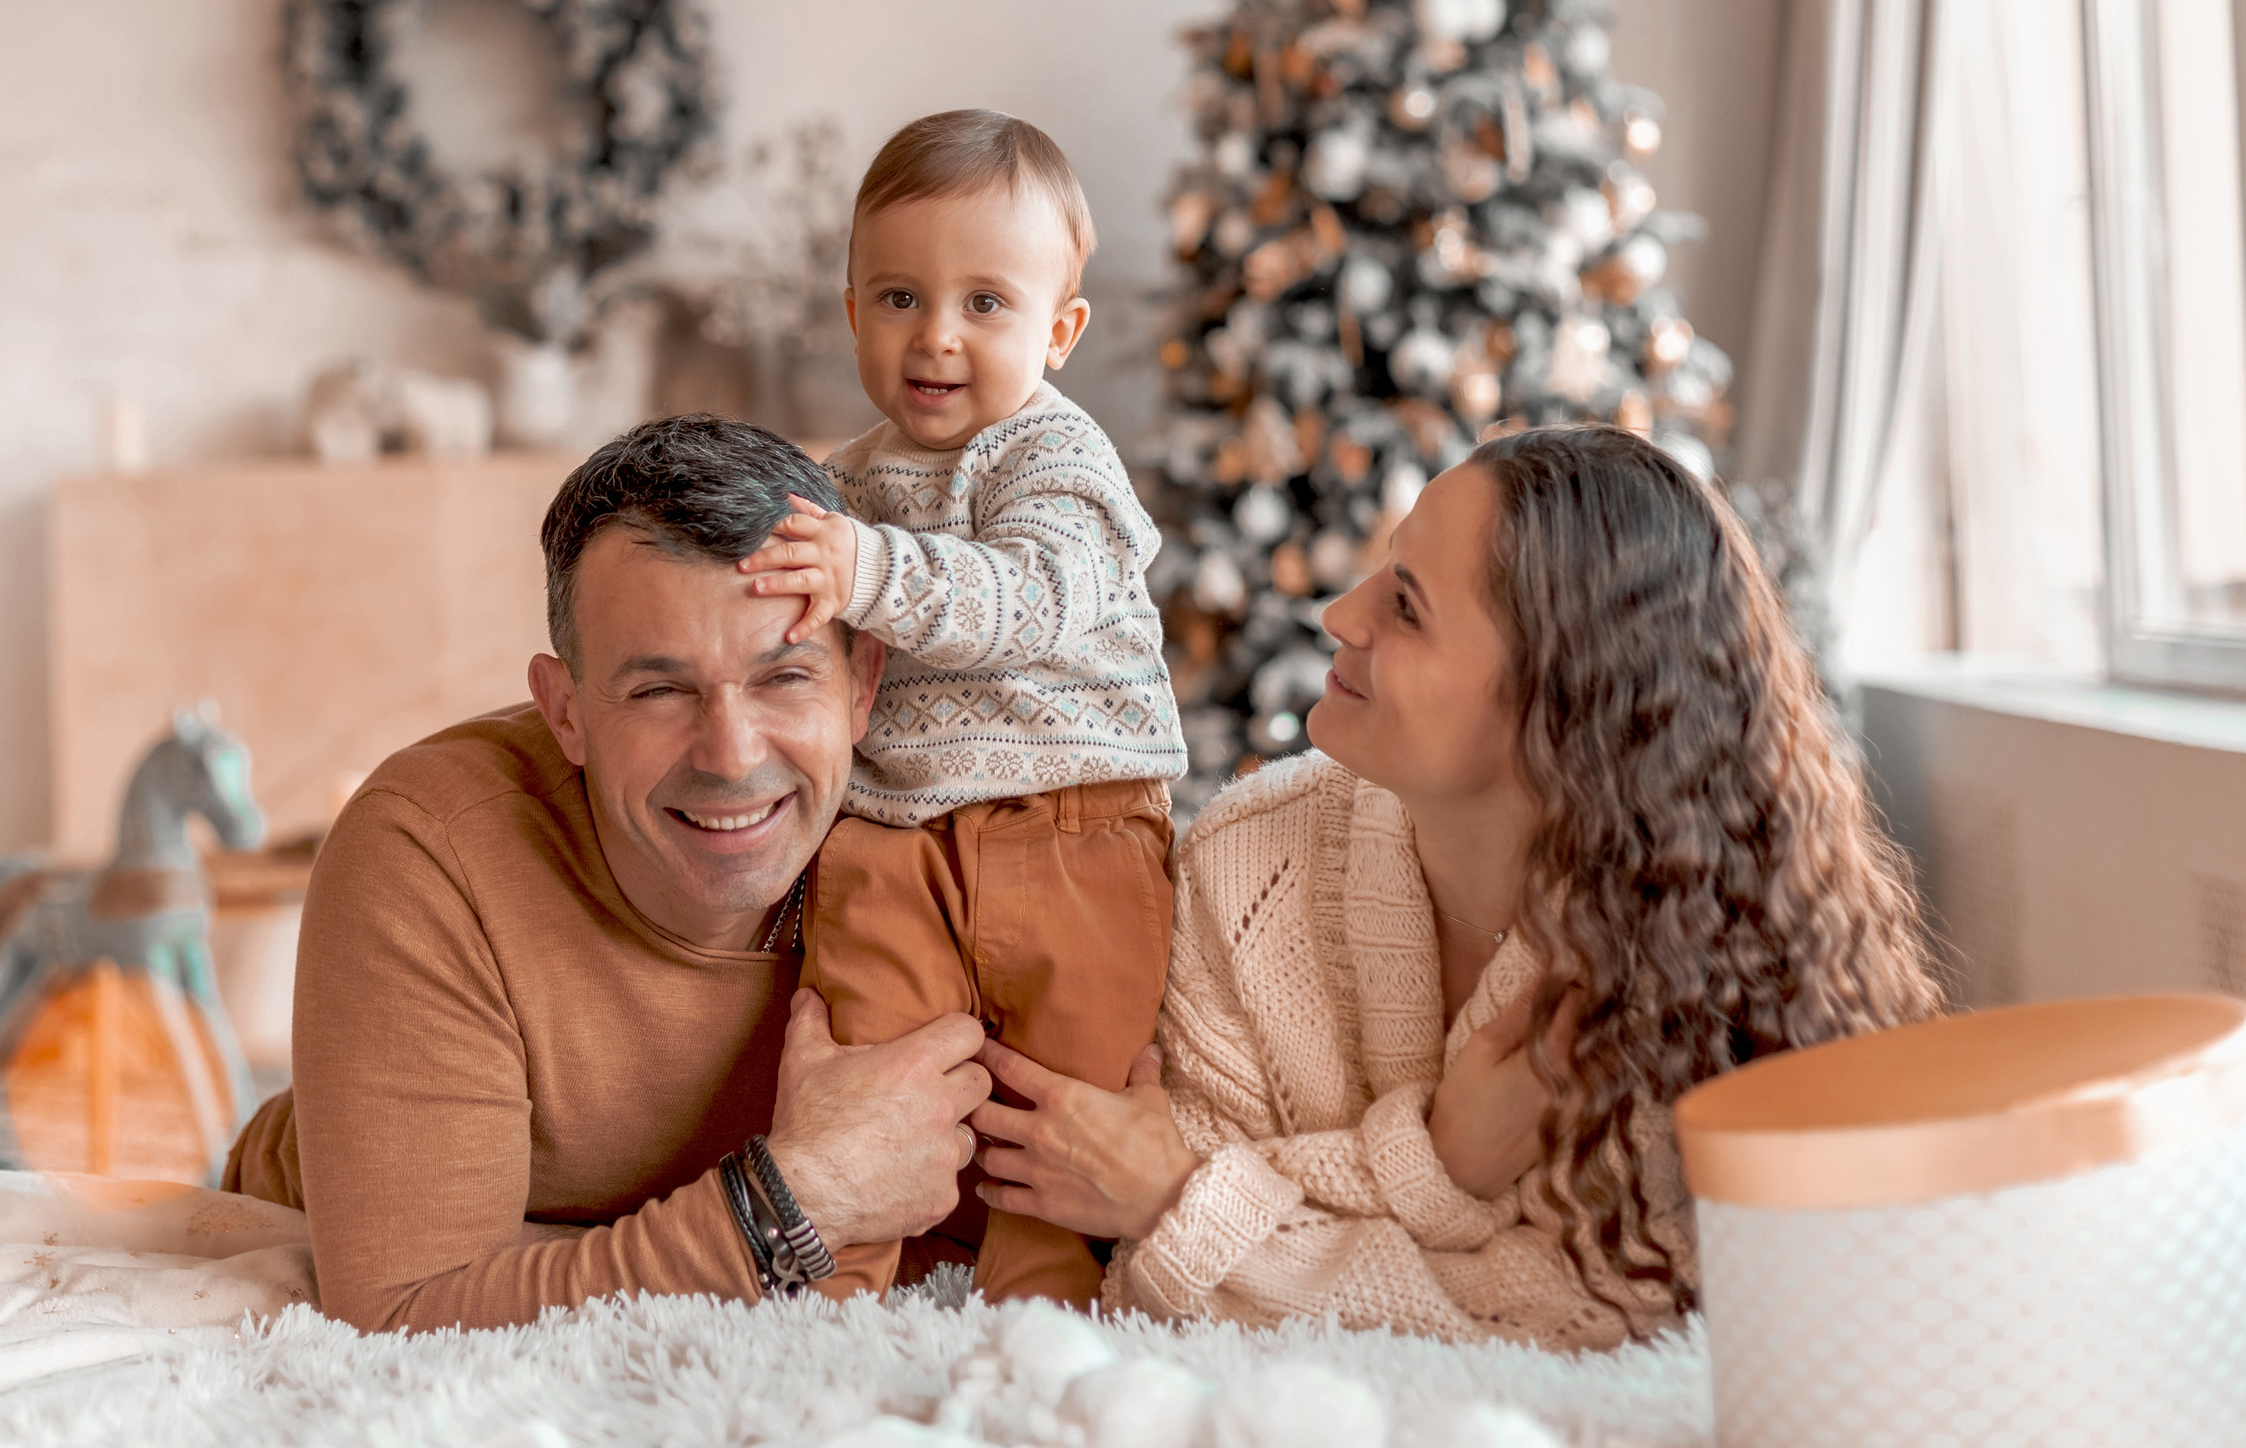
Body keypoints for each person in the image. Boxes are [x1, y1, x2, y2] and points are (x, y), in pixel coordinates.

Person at [964, 425, 1944, 1347]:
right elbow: (1153, 1281)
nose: (1338, 613)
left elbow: (1598, 1315)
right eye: (1382, 572)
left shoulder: (1691, 949)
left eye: (1406, 606)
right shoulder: (1245, 865)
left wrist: (1186, 1201)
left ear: (1559, 711)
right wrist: (1441, 1167)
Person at [222, 416, 996, 1333]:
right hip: (327, 1239)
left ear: (863, 681)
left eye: (784, 676)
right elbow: (405, 1310)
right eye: (661, 690)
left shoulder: (958, 835)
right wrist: (796, 1201)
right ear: (565, 712)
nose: (732, 754)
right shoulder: (428, 849)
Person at [736, 110, 1186, 1305]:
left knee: (1067, 1085)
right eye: (897, 298)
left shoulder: (1056, 461)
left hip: (1072, 830)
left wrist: (864, 569)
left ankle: (1045, 1294)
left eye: (985, 304)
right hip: (892, 834)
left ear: (1060, 329)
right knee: (867, 1052)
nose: (935, 337)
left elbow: (1026, 601)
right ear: (850, 312)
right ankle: (843, 1270)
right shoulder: (842, 480)